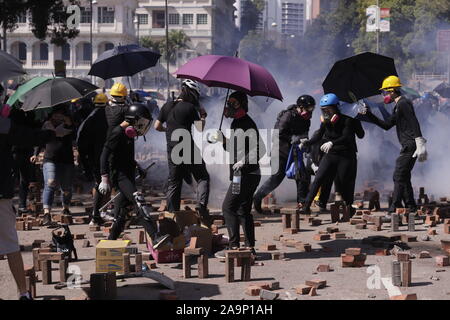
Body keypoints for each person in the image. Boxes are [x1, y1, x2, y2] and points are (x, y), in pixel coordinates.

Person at [1, 103, 64, 300]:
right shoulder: (3, 124)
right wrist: (50, 133)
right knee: (10, 245)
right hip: (0, 195)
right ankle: (23, 293)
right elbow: (25, 136)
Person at [98, 103, 170, 248]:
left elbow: (127, 157)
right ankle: (155, 236)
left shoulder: (130, 134)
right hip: (119, 175)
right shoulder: (117, 132)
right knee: (139, 201)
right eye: (142, 122)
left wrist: (139, 167)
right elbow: (104, 155)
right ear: (133, 119)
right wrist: (104, 178)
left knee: (123, 212)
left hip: (128, 173)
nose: (143, 126)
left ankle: (110, 241)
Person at [359, 76, 427, 216]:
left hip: (411, 144)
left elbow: (413, 121)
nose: (383, 95)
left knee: (398, 175)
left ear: (392, 91)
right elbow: (386, 125)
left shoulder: (403, 103)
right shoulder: (398, 106)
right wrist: (369, 114)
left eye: (385, 92)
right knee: (404, 175)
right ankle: (411, 207)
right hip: (407, 145)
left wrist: (419, 140)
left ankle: (393, 208)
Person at [211, 91, 265, 257]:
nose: (229, 107)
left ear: (242, 104)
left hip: (247, 174)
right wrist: (223, 141)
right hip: (241, 175)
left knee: (228, 208)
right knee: (243, 210)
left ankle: (233, 247)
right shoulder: (236, 123)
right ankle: (249, 248)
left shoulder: (247, 123)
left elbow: (260, 149)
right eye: (229, 103)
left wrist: (244, 161)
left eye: (233, 103)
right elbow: (233, 148)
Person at [156, 80, 211, 225]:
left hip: (172, 149)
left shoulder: (167, 105)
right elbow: (200, 128)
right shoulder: (190, 107)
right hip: (187, 146)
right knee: (203, 177)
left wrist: (167, 130)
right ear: (190, 92)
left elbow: (157, 126)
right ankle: (201, 205)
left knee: (175, 182)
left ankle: (172, 216)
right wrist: (203, 115)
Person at [253, 95, 315, 213]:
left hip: (295, 152)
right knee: (276, 178)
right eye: (308, 109)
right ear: (300, 107)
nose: (310, 112)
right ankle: (257, 197)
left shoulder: (306, 120)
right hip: (280, 151)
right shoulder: (288, 115)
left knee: (301, 175)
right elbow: (278, 133)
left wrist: (305, 141)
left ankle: (302, 203)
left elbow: (305, 133)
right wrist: (293, 138)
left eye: (312, 109)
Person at [300, 93, 357, 215]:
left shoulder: (347, 120)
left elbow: (346, 137)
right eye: (323, 110)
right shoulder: (325, 122)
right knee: (318, 178)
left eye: (328, 109)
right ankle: (306, 206)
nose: (326, 112)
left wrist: (332, 142)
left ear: (336, 107)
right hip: (331, 155)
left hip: (345, 155)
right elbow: (319, 135)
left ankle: (348, 208)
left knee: (343, 183)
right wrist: (307, 143)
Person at [33, 105, 75, 225]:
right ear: (52, 115)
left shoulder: (70, 125)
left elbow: (74, 132)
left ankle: (65, 208)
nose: (58, 116)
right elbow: (39, 140)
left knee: (66, 188)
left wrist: (68, 120)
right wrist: (35, 154)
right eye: (56, 114)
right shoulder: (47, 126)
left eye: (61, 114)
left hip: (67, 160)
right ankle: (47, 214)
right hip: (50, 159)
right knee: (50, 183)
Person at [77, 93, 110, 226]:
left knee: (99, 184)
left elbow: (81, 142)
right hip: (106, 157)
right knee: (107, 185)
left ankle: (97, 214)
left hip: (93, 158)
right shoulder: (109, 117)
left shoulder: (88, 120)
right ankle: (101, 212)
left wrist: (84, 163)